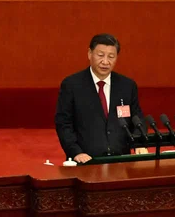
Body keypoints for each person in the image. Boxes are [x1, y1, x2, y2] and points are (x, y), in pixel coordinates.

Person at [55, 33, 144, 163]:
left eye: (111, 56)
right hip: (86, 160)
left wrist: (139, 143)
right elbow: (63, 123)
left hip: (121, 161)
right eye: (100, 55)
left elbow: (137, 118)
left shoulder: (127, 86)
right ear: (89, 54)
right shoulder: (72, 85)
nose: (105, 61)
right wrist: (75, 152)